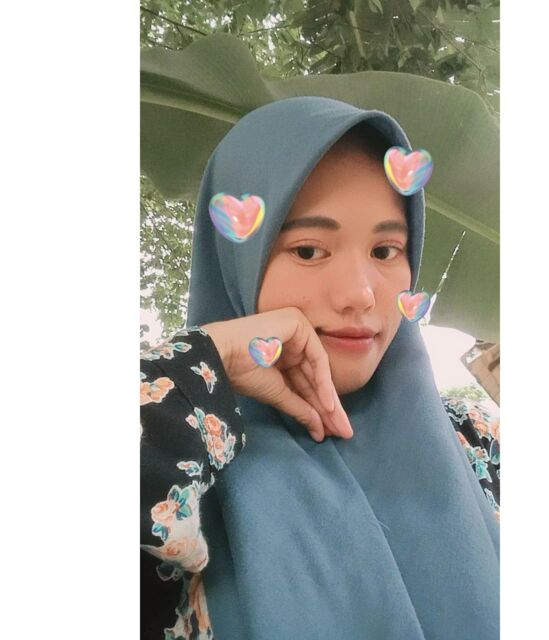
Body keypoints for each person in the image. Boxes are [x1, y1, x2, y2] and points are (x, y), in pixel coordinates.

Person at [140, 96, 500, 640]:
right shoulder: (186, 469)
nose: (361, 294)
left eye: (386, 250)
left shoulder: (477, 439)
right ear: (235, 263)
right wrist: (204, 364)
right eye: (308, 251)